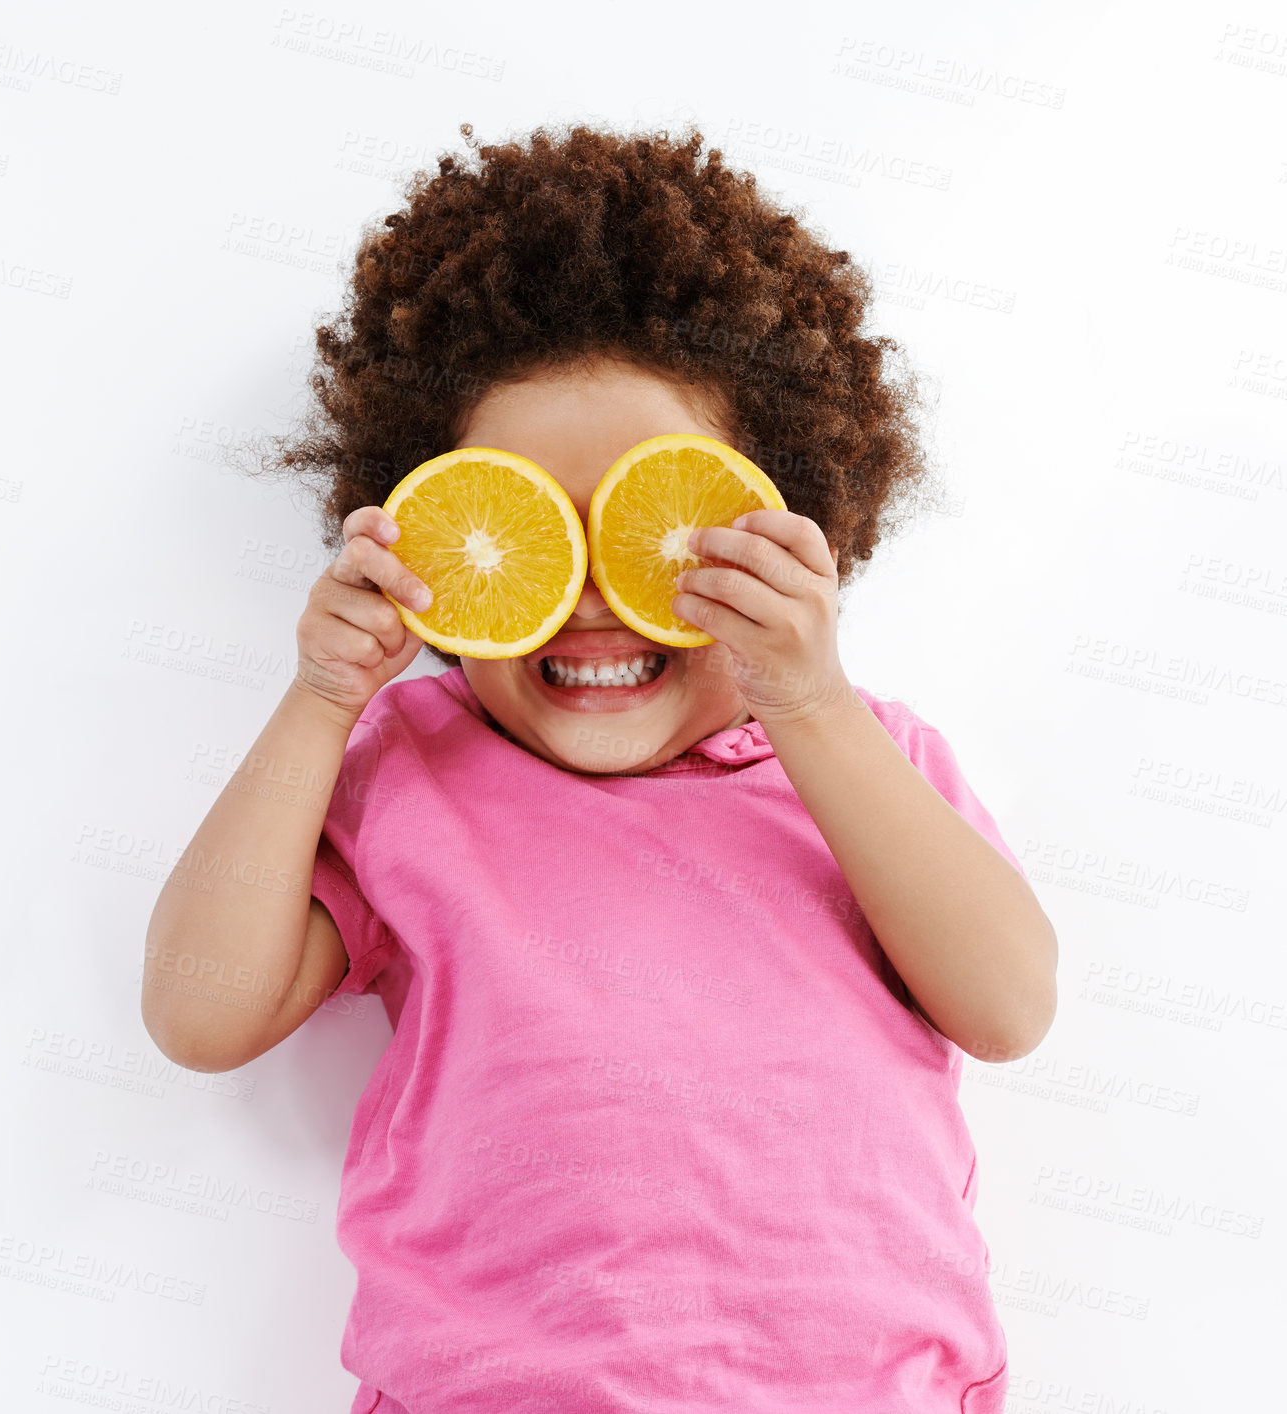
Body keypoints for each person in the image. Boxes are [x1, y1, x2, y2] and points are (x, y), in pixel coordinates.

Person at [142, 121, 1058, 1414]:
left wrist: (810, 697)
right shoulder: (413, 767)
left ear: (792, 524)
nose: (586, 600)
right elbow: (198, 1010)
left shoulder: (862, 761)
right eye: (525, 530)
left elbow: (1008, 1005)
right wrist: (320, 698)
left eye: (653, 533)